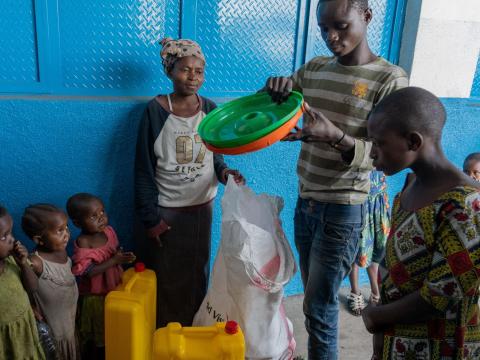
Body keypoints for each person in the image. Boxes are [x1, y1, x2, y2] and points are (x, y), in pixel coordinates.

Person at [263, 0, 408, 357]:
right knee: (316, 303)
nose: (331, 36)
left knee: (321, 309)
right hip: (306, 203)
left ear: (367, 16)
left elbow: (386, 155)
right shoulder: (313, 70)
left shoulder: (389, 78)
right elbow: (273, 109)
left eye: (341, 26)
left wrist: (337, 137)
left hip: (343, 210)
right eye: (324, 28)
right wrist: (274, 88)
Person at [362, 87, 480, 359]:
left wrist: (376, 316)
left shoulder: (466, 206)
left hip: (440, 346)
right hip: (396, 340)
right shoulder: (411, 187)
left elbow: (439, 296)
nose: (372, 154)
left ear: (413, 142)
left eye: (378, 143)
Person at [135, 37, 245, 328]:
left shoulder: (209, 108)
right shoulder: (155, 111)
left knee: (198, 272)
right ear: (170, 71)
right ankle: (168, 335)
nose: (193, 76)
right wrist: (150, 219)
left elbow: (215, 156)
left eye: (199, 70)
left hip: (201, 210)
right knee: (168, 277)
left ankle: (193, 333)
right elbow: (143, 170)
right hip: (167, 212)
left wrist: (225, 174)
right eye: (185, 69)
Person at [67, 193, 136, 360]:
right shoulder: (83, 242)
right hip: (96, 296)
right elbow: (88, 272)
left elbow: (114, 251)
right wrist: (114, 260)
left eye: (102, 212)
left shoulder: (109, 231)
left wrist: (122, 256)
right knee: (100, 334)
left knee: (115, 326)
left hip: (115, 288)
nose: (101, 218)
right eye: (93, 216)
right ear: (77, 223)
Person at [22, 204, 80, 360]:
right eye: (59, 231)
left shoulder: (61, 250)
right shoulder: (36, 262)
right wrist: (31, 305)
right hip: (55, 335)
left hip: (69, 325)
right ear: (39, 240)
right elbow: (26, 286)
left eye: (66, 227)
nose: (67, 233)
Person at [0, 205, 46, 360]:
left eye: (10, 232)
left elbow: (33, 287)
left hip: (26, 332)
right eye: (3, 236)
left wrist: (24, 264)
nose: (12, 239)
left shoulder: (12, 261)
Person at [347, 170, 390, 315]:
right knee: (356, 247)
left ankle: (375, 292)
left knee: (378, 248)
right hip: (358, 200)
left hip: (378, 199)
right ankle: (355, 292)